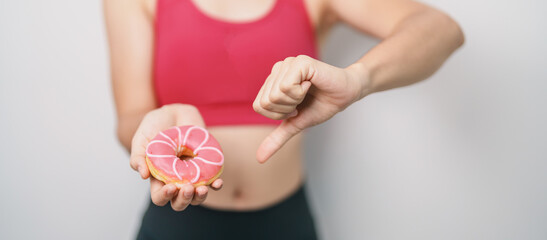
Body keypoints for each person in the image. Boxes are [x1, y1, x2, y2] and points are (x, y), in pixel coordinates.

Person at [104, 0, 464, 239]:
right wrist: (155, 131)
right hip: (176, 226)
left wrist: (358, 79)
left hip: (285, 224)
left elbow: (440, 29)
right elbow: (131, 116)